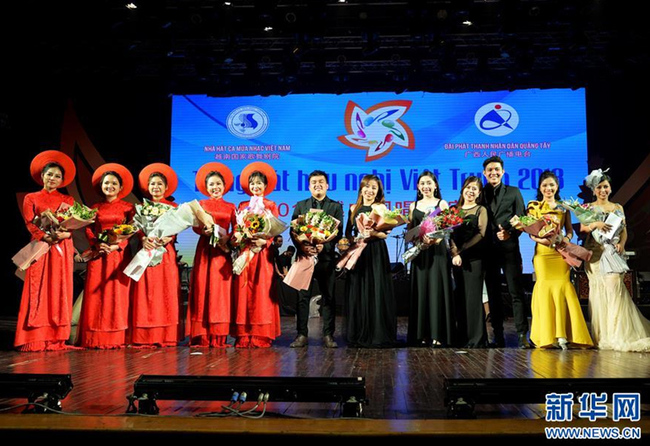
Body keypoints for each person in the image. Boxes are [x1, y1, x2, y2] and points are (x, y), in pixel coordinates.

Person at [580, 170, 650, 352]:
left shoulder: (618, 207)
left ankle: (617, 334)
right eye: (599, 187)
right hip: (595, 256)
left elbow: (624, 230)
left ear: (610, 188)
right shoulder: (587, 208)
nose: (603, 190)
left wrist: (623, 244)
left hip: (613, 255)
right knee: (598, 294)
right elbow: (583, 228)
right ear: (594, 190)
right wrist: (596, 224)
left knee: (615, 293)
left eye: (605, 187)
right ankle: (603, 334)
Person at [15, 151, 77, 351]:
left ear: (62, 180)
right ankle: (34, 336)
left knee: (59, 288)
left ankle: (56, 337)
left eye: (57, 176)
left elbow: (71, 226)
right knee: (38, 288)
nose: (53, 179)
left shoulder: (68, 200)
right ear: (42, 176)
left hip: (61, 249)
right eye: (50, 174)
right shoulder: (31, 198)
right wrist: (45, 237)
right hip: (41, 248)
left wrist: (65, 235)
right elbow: (30, 223)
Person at [524, 170, 593, 349]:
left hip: (560, 254)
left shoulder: (563, 207)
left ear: (557, 187)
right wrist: (545, 241)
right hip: (543, 254)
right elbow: (531, 233)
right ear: (540, 187)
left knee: (563, 288)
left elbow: (569, 230)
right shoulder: (534, 206)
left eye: (551, 185)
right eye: (545, 185)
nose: (548, 188)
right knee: (545, 288)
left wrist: (566, 239)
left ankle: (564, 335)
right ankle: (546, 336)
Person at [78, 163, 135, 349]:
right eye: (106, 183)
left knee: (117, 294)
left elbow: (132, 230)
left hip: (118, 256)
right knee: (96, 294)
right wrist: (97, 243)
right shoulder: (94, 208)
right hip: (99, 255)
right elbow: (88, 228)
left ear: (120, 187)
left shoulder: (128, 208)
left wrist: (118, 245)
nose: (109, 186)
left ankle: (116, 337)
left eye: (113, 183)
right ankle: (94, 336)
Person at [289, 170, 343, 348]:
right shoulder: (301, 205)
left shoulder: (335, 206)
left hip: (326, 259)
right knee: (302, 297)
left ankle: (328, 335)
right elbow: (293, 230)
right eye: (314, 182)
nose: (317, 184)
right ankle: (301, 335)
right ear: (309, 186)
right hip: (305, 258)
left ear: (327, 185)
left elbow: (338, 234)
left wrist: (323, 246)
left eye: (321, 181)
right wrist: (303, 246)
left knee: (328, 297)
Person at [481, 156, 530, 348]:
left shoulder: (513, 192)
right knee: (493, 293)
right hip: (488, 251)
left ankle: (521, 335)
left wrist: (510, 234)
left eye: (497, 170)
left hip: (509, 249)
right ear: (484, 173)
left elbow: (523, 219)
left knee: (515, 292)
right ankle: (498, 335)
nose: (493, 173)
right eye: (490, 170)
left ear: (503, 172)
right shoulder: (480, 193)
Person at [130, 163, 181, 348]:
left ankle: (165, 335)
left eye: (159, 184)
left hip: (165, 253)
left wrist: (168, 237)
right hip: (146, 251)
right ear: (148, 187)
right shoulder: (141, 207)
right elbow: (136, 228)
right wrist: (143, 238)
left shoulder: (174, 207)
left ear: (166, 187)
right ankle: (144, 335)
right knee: (146, 293)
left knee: (164, 292)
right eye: (153, 184)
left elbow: (178, 228)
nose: (156, 187)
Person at [231, 162, 281, 348]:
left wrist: (264, 242)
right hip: (246, 253)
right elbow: (236, 227)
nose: (256, 187)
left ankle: (261, 335)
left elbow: (273, 230)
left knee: (261, 293)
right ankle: (244, 334)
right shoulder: (242, 205)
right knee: (244, 292)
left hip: (262, 255)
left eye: (259, 183)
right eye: (253, 184)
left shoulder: (271, 205)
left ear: (266, 186)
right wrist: (238, 235)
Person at [343, 174, 396, 348]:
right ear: (361, 189)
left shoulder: (381, 208)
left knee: (376, 289)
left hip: (376, 252)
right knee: (358, 290)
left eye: (374, 187)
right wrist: (351, 241)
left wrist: (372, 234)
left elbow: (384, 234)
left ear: (378, 190)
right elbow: (348, 233)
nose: (370, 190)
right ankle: (359, 331)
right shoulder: (353, 208)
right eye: (367, 186)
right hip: (358, 253)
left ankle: (377, 333)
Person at [187, 162, 236, 347]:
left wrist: (228, 239)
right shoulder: (200, 205)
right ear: (206, 187)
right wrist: (203, 231)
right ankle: (202, 335)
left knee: (219, 292)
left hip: (221, 253)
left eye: (218, 184)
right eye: (211, 185)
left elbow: (237, 229)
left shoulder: (231, 206)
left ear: (224, 186)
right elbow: (195, 226)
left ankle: (219, 335)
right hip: (205, 251)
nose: (215, 187)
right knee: (202, 288)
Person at [407, 170, 455, 347]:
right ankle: (422, 334)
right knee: (422, 291)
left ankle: (438, 334)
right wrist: (419, 238)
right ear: (418, 187)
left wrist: (436, 238)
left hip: (438, 252)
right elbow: (410, 232)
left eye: (429, 183)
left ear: (435, 185)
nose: (426, 186)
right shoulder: (414, 206)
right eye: (422, 183)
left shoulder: (442, 203)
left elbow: (449, 229)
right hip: (421, 252)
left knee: (437, 290)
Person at [450, 176, 489, 348]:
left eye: (474, 189)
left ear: (479, 193)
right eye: (468, 187)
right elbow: (449, 234)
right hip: (456, 260)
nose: (470, 191)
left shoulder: (481, 210)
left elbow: (481, 233)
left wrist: (462, 250)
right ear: (463, 189)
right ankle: (461, 337)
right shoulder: (454, 210)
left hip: (474, 259)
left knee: (473, 299)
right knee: (459, 298)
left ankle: (476, 338)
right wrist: (454, 253)